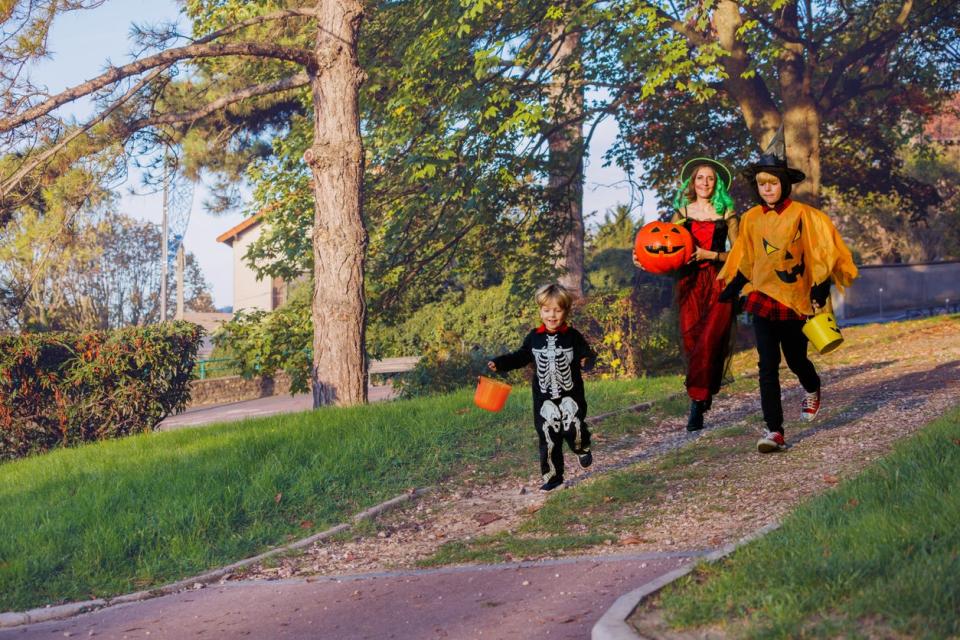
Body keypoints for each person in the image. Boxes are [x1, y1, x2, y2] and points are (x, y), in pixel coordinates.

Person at [718, 153, 857, 453]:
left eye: (773, 183)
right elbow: (746, 258)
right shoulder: (751, 219)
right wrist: (733, 288)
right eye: (761, 184)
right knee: (766, 366)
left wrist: (821, 286)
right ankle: (774, 431)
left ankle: (812, 386)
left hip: (796, 299)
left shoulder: (805, 216)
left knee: (796, 360)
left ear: (783, 184)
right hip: (762, 298)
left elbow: (822, 251)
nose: (767, 189)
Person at [488, 283, 596, 491]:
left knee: (573, 427)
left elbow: (587, 354)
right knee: (548, 436)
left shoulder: (572, 336)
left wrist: (586, 361)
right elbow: (520, 356)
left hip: (570, 395)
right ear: (540, 311)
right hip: (544, 399)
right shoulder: (534, 337)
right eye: (547, 310)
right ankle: (553, 478)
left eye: (557, 310)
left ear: (566, 311)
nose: (552, 315)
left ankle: (582, 448)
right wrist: (500, 363)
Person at [665, 158, 739, 431]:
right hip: (689, 283)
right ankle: (702, 392)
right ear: (692, 182)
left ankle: (697, 403)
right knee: (691, 340)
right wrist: (642, 258)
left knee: (710, 341)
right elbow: (664, 245)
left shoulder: (728, 214)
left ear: (717, 183)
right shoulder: (681, 213)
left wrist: (711, 255)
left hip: (720, 282)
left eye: (710, 178)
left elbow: (741, 254)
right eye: (700, 178)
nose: (705, 183)